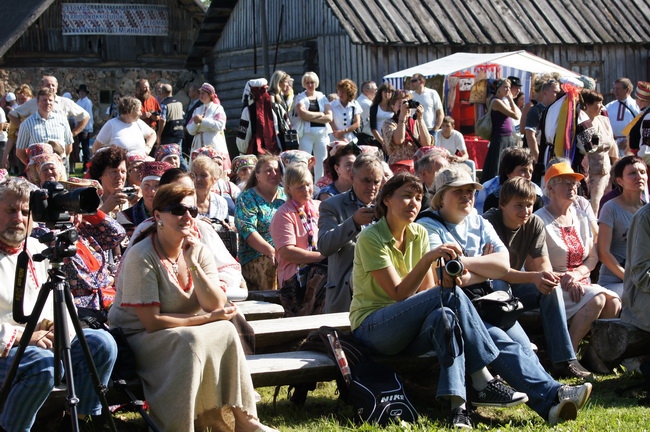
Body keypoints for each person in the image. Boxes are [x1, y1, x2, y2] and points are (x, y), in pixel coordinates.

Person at [352, 172, 530, 428]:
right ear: (387, 199)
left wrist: (447, 280)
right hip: (373, 329)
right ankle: (483, 380)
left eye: (418, 198)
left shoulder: (418, 233)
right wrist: (429, 259)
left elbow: (428, 290)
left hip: (407, 331)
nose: (414, 203)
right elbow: (399, 293)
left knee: (446, 317)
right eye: (406, 196)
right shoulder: (371, 237)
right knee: (449, 298)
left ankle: (459, 408)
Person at [417, 165, 593, 425]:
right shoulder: (428, 227)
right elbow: (446, 278)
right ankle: (554, 394)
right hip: (453, 309)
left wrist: (466, 264)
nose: (467, 196)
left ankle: (552, 401)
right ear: (441, 197)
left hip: (487, 301)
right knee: (502, 343)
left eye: (470, 191)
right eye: (458, 191)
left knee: (522, 346)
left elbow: (502, 264)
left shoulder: (478, 221)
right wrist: (483, 266)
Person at [108, 184, 277, 432]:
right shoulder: (141, 255)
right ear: (158, 216)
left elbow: (214, 304)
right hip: (138, 338)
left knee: (226, 332)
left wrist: (193, 264)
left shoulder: (198, 250)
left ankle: (245, 420)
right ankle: (180, 425)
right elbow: (152, 322)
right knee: (192, 340)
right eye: (178, 210)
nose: (187, 217)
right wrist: (207, 319)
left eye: (193, 211)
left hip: (183, 331)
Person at [0, 178, 117, 432]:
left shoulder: (37, 248)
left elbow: (64, 303)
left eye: (25, 212)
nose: (18, 218)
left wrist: (61, 329)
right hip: (8, 350)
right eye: (10, 210)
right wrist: (24, 337)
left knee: (101, 344)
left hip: (44, 341)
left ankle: (78, 422)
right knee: (43, 365)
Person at [483, 177, 593, 380]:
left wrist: (545, 278)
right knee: (500, 286)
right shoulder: (489, 222)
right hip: (489, 288)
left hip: (515, 284)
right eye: (519, 205)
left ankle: (563, 361)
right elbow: (494, 271)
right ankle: (505, 363)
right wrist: (535, 277)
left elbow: (543, 265)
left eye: (529, 205)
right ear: (503, 205)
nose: (525, 211)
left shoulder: (534, 223)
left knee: (551, 288)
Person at [535, 161, 621, 355]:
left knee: (614, 302)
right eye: (565, 182)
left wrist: (576, 274)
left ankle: (594, 354)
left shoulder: (581, 216)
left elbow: (593, 256)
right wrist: (566, 278)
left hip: (580, 281)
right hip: (554, 286)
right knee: (598, 299)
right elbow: (536, 264)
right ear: (550, 188)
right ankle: (569, 354)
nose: (572, 187)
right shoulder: (539, 220)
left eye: (574, 183)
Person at [318, 154, 383, 313]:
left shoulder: (386, 205)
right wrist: (353, 223)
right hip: (346, 297)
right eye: (366, 180)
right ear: (352, 177)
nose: (372, 187)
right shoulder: (331, 205)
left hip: (381, 295)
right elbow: (324, 246)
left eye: (376, 182)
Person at [597, 156, 647, 297]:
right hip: (614, 282)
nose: (639, 176)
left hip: (642, 278)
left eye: (643, 172)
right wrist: (630, 278)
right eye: (632, 173)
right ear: (620, 181)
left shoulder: (647, 210)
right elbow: (603, 253)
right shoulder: (610, 208)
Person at [235, 155, 286, 291]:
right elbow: (247, 229)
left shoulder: (286, 195)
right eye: (268, 170)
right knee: (272, 263)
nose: (273, 173)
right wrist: (270, 251)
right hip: (256, 255)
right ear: (257, 175)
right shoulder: (247, 197)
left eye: (277, 170)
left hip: (285, 251)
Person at [270, 163, 324, 287]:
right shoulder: (284, 214)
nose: (306, 190)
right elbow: (288, 252)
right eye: (300, 187)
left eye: (308, 184)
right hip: (295, 278)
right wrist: (322, 257)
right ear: (289, 189)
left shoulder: (320, 207)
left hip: (322, 268)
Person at [581, 89, 619, 213]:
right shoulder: (581, 123)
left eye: (602, 102)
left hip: (606, 170)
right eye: (598, 103)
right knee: (592, 206)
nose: (602, 106)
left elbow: (612, 145)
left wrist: (616, 166)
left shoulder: (604, 120)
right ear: (587, 104)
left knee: (606, 204)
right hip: (588, 172)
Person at [476, 147, 544, 215]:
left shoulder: (537, 195)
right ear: (508, 172)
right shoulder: (491, 194)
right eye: (523, 170)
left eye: (531, 171)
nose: (528, 175)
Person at [15, 88, 74, 166]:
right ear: (37, 102)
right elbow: (20, 151)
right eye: (44, 100)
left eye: (50, 100)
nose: (48, 103)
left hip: (60, 166)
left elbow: (69, 146)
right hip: (38, 168)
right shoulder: (27, 124)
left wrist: (59, 162)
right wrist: (32, 166)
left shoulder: (62, 121)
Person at [291, 72, 332, 182]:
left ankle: (319, 185)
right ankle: (304, 182)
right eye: (307, 82)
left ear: (316, 83)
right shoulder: (300, 97)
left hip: (322, 134)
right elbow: (303, 115)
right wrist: (320, 114)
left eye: (312, 82)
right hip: (306, 134)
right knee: (304, 161)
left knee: (322, 162)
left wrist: (311, 116)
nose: (310, 85)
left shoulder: (322, 97)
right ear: (304, 84)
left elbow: (329, 117)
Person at [382, 90, 431, 174]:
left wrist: (420, 119)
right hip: (398, 169)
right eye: (401, 104)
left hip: (417, 169)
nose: (406, 107)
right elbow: (398, 140)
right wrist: (402, 116)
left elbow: (427, 144)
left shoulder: (415, 123)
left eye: (408, 103)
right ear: (393, 107)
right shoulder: (389, 123)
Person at [481, 78, 520, 182]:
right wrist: (511, 99)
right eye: (505, 87)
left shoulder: (502, 101)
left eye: (509, 87)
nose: (508, 90)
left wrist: (510, 100)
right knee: (497, 165)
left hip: (507, 137)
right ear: (498, 89)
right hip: (500, 138)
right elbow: (515, 115)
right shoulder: (496, 102)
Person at [186, 83, 230, 171]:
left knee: (214, 167)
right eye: (200, 93)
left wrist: (202, 121)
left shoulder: (218, 108)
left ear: (210, 95)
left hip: (213, 142)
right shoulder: (197, 110)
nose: (200, 95)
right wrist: (196, 123)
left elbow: (220, 125)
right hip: (198, 143)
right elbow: (190, 130)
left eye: (203, 93)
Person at [118, 160, 172, 229]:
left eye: (157, 185)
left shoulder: (174, 213)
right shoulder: (126, 217)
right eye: (147, 185)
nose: (152, 191)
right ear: (141, 187)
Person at [88, 146, 135, 217]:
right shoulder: (90, 201)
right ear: (100, 174)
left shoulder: (130, 201)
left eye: (123, 172)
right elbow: (85, 223)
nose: (120, 176)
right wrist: (104, 209)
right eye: (114, 172)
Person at [605, 78, 639, 157]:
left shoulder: (637, 106)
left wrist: (630, 140)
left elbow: (640, 126)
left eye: (618, 89)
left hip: (630, 146)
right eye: (614, 89)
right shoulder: (609, 106)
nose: (615, 91)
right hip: (612, 146)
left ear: (627, 90)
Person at [191, 155, 229, 222]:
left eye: (203, 175)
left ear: (214, 179)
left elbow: (225, 224)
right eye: (194, 175)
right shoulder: (184, 200)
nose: (198, 179)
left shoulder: (221, 202)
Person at [328, 79, 362, 144]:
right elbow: (331, 123)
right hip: (334, 139)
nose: (341, 94)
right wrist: (340, 137)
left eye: (343, 92)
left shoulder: (355, 104)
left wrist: (343, 131)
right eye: (339, 91)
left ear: (349, 93)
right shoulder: (331, 105)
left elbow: (357, 123)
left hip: (351, 139)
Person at [157, 83, 185, 149]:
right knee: (178, 153)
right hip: (179, 132)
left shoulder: (164, 104)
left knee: (167, 153)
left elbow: (162, 120)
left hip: (168, 134)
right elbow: (183, 116)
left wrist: (159, 135)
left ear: (162, 92)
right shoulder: (179, 103)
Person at [369, 82, 395, 148]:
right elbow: (373, 128)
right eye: (385, 92)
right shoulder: (374, 107)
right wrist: (383, 142)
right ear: (381, 93)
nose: (387, 94)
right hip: (378, 140)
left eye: (389, 92)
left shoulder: (394, 107)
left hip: (393, 140)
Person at [75, 84, 94, 173]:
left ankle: (86, 166)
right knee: (78, 146)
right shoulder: (78, 101)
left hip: (85, 127)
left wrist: (86, 130)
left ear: (86, 93)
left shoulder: (87, 102)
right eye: (80, 92)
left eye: (83, 92)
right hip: (79, 126)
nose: (81, 93)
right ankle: (81, 163)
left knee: (85, 147)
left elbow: (88, 115)